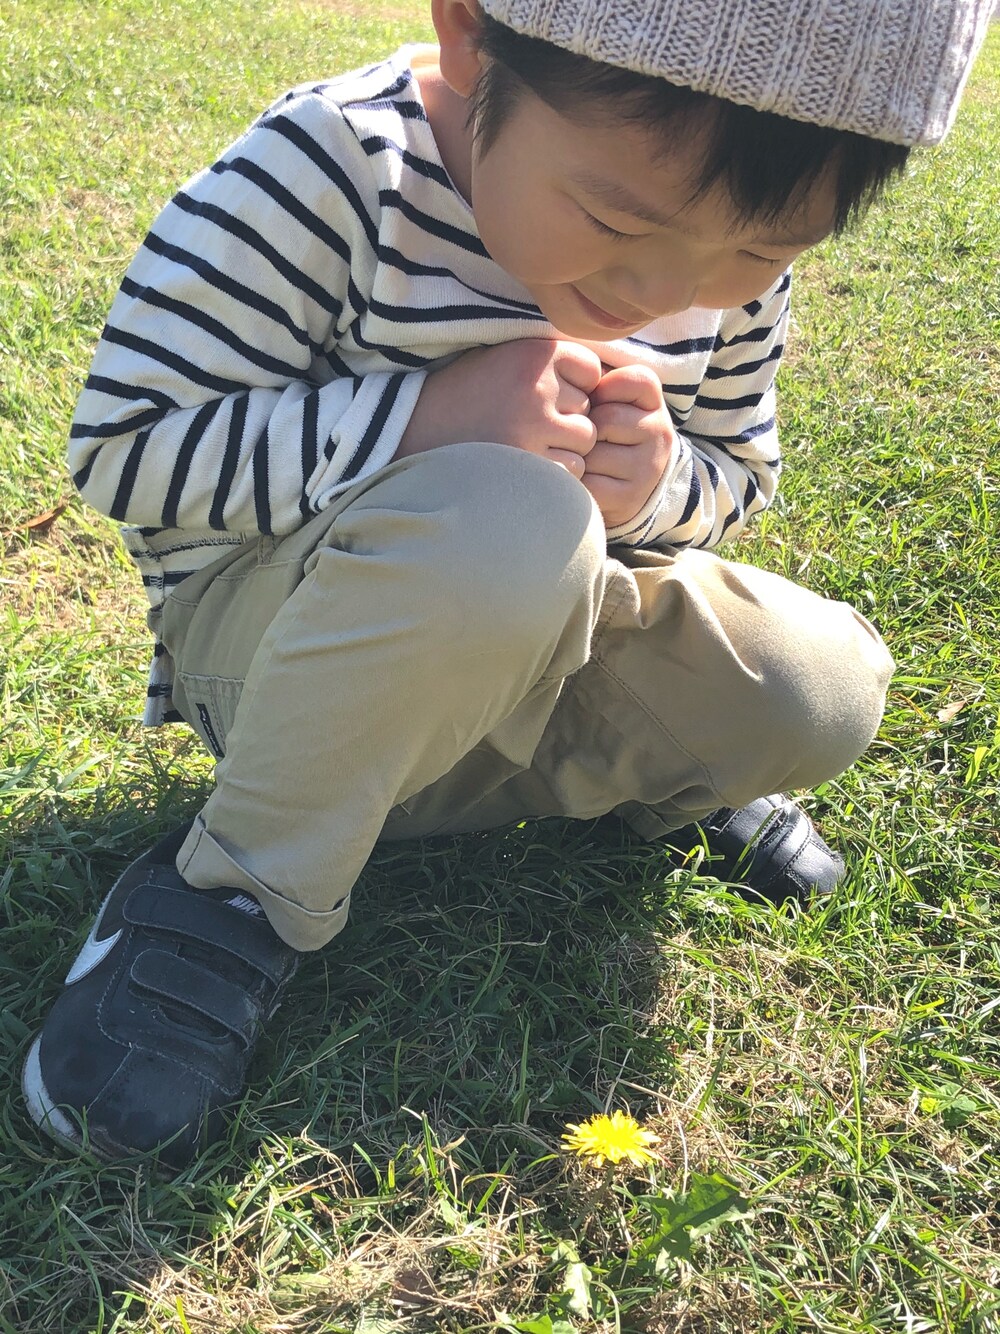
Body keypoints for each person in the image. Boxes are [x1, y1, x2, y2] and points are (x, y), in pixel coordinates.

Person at [23, 0, 991, 1170]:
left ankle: (649, 771)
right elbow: (126, 445)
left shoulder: (727, 254)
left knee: (818, 683)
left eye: (759, 253)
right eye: (615, 217)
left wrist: (654, 484)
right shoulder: (337, 167)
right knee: (510, 518)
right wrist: (425, 419)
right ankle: (233, 891)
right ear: (472, 39)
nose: (669, 287)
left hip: (551, 642)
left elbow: (737, 474)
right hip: (290, 662)